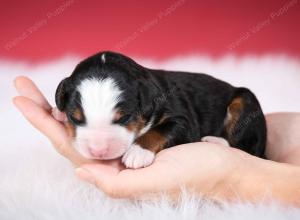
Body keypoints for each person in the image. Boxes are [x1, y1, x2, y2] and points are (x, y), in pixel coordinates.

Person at [13, 76, 300, 206]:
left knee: (243, 102)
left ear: (143, 104)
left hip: (230, 107)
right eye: (79, 119)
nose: (98, 144)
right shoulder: (134, 96)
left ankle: (237, 147)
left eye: (119, 120)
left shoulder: (155, 100)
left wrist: (146, 143)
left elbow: (179, 124)